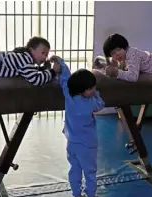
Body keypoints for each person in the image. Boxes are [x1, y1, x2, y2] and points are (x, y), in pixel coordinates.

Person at [51, 56, 105, 197]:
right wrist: (96, 95)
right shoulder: (91, 103)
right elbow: (101, 104)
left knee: (74, 169)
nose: (94, 89)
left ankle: (76, 194)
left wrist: (60, 62)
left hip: (72, 143)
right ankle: (90, 194)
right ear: (83, 90)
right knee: (90, 172)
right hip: (87, 145)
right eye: (91, 88)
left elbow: (65, 77)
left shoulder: (68, 94)